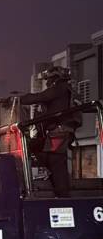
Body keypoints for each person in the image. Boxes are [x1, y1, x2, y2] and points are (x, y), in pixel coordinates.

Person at [19, 66, 80, 197]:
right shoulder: (64, 91)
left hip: (59, 131)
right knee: (36, 148)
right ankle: (57, 188)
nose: (47, 83)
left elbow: (40, 97)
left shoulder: (60, 88)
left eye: (49, 79)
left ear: (55, 78)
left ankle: (62, 196)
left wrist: (20, 99)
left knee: (55, 161)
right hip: (57, 131)